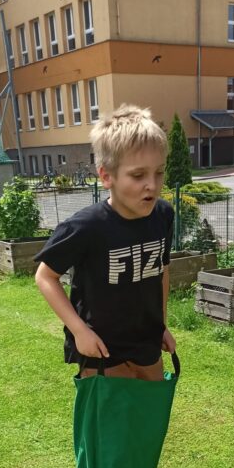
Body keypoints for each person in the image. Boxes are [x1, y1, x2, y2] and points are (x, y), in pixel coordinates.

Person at [34, 104, 176, 381]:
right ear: (106, 176)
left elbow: (163, 271)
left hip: (147, 342)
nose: (152, 184)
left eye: (159, 172)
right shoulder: (85, 227)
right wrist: (79, 332)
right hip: (101, 349)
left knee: (149, 409)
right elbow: (45, 277)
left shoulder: (163, 215)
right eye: (138, 175)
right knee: (110, 411)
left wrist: (161, 325)